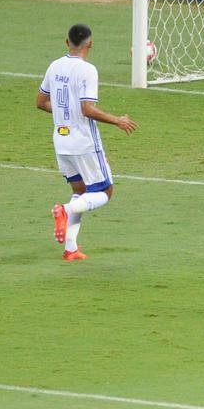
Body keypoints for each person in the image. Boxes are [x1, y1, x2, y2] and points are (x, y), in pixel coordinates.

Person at [37, 23, 137, 261]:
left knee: (80, 191)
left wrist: (65, 113)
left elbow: (41, 102)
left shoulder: (54, 66)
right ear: (90, 43)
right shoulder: (88, 70)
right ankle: (65, 210)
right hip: (83, 142)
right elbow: (87, 109)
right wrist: (118, 120)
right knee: (105, 191)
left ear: (67, 42)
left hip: (61, 141)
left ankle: (70, 249)